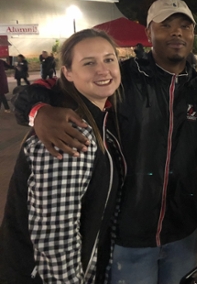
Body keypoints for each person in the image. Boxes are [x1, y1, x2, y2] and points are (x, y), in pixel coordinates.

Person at [13, 0, 197, 284]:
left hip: (183, 234)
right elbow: (46, 89)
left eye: (184, 26)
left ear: (192, 34)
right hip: (126, 237)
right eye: (166, 25)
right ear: (149, 33)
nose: (177, 32)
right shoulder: (120, 78)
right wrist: (38, 111)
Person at [0, 29, 126, 282]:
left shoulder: (100, 119)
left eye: (109, 59)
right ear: (67, 72)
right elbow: (56, 238)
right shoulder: (69, 132)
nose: (103, 70)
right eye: (89, 63)